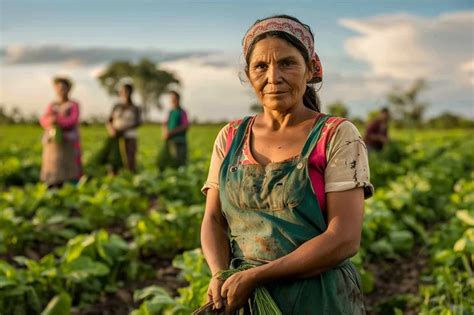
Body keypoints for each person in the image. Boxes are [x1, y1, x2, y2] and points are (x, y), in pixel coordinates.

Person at [200, 15, 374, 314]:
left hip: (318, 299)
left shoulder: (335, 134)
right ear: (248, 74)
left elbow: (344, 238)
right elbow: (214, 219)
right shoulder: (230, 137)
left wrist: (257, 276)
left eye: (287, 63)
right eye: (260, 66)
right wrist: (219, 273)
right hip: (244, 297)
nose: (273, 77)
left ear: (310, 70)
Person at [39, 77, 82, 187]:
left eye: (63, 88)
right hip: (53, 142)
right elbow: (43, 119)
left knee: (68, 167)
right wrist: (51, 121)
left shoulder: (73, 104)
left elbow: (72, 120)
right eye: (58, 88)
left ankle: (69, 187)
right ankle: (52, 185)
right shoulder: (52, 105)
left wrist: (57, 120)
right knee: (53, 165)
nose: (61, 90)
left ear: (69, 89)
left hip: (68, 142)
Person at [97, 83, 142, 174]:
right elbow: (109, 120)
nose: (124, 93)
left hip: (129, 136)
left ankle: (129, 178)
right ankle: (113, 178)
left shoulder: (135, 107)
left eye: (126, 91)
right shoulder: (116, 106)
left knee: (129, 160)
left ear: (131, 92)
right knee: (113, 159)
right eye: (122, 91)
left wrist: (123, 130)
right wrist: (111, 129)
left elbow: (138, 122)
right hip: (115, 136)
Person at [157, 91, 189, 170]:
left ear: (178, 100)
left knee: (181, 161)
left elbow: (185, 126)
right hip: (171, 141)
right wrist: (165, 132)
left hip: (180, 141)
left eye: (174, 99)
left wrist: (171, 132)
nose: (173, 101)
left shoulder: (182, 112)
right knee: (172, 161)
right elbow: (165, 124)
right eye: (171, 99)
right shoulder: (170, 112)